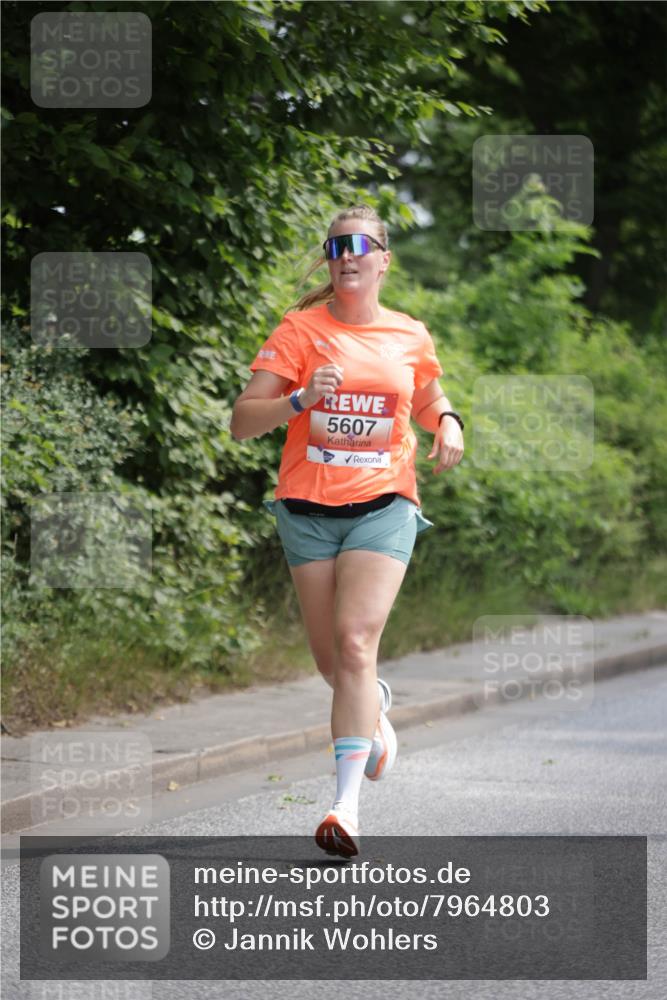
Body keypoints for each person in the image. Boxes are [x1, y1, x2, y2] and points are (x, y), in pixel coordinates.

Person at [230, 204, 464, 858]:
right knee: (333, 662)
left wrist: (449, 421)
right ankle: (375, 715)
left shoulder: (407, 333)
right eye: (336, 246)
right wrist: (300, 399)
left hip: (383, 503)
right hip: (306, 509)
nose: (347, 254)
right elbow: (243, 421)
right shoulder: (300, 330)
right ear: (330, 261)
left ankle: (344, 807)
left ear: (383, 259)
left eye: (361, 244)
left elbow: (427, 397)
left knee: (356, 643)